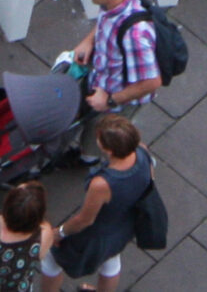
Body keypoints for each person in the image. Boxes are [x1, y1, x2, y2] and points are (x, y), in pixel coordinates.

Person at [37, 115, 152, 292]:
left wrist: (59, 233)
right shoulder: (143, 152)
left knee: (51, 260)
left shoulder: (103, 184)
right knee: (111, 259)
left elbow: (84, 220)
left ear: (109, 150)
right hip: (123, 226)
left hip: (96, 235)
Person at [71, 0, 164, 118]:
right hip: (100, 79)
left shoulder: (134, 37)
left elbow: (152, 82)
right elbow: (107, 19)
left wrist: (109, 101)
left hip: (115, 104)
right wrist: (89, 41)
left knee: (95, 141)